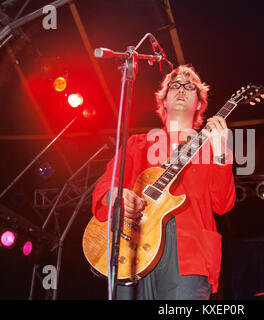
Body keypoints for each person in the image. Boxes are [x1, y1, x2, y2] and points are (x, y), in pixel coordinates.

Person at [91, 65, 236, 300]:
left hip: (189, 254)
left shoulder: (211, 148)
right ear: (164, 101)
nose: (181, 89)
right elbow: (106, 185)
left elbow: (223, 204)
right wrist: (116, 196)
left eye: (190, 87)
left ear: (199, 104)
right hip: (133, 246)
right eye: (175, 85)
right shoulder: (137, 144)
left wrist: (220, 153)